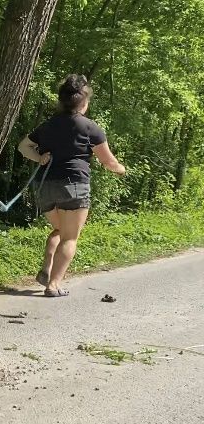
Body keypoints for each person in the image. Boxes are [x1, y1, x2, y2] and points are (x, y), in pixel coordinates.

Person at [18, 74, 126, 297]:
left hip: (45, 187)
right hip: (74, 185)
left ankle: (47, 267)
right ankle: (54, 285)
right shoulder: (90, 128)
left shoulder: (47, 125)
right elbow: (108, 161)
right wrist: (121, 169)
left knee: (59, 229)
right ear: (84, 103)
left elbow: (23, 147)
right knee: (70, 237)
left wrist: (39, 158)